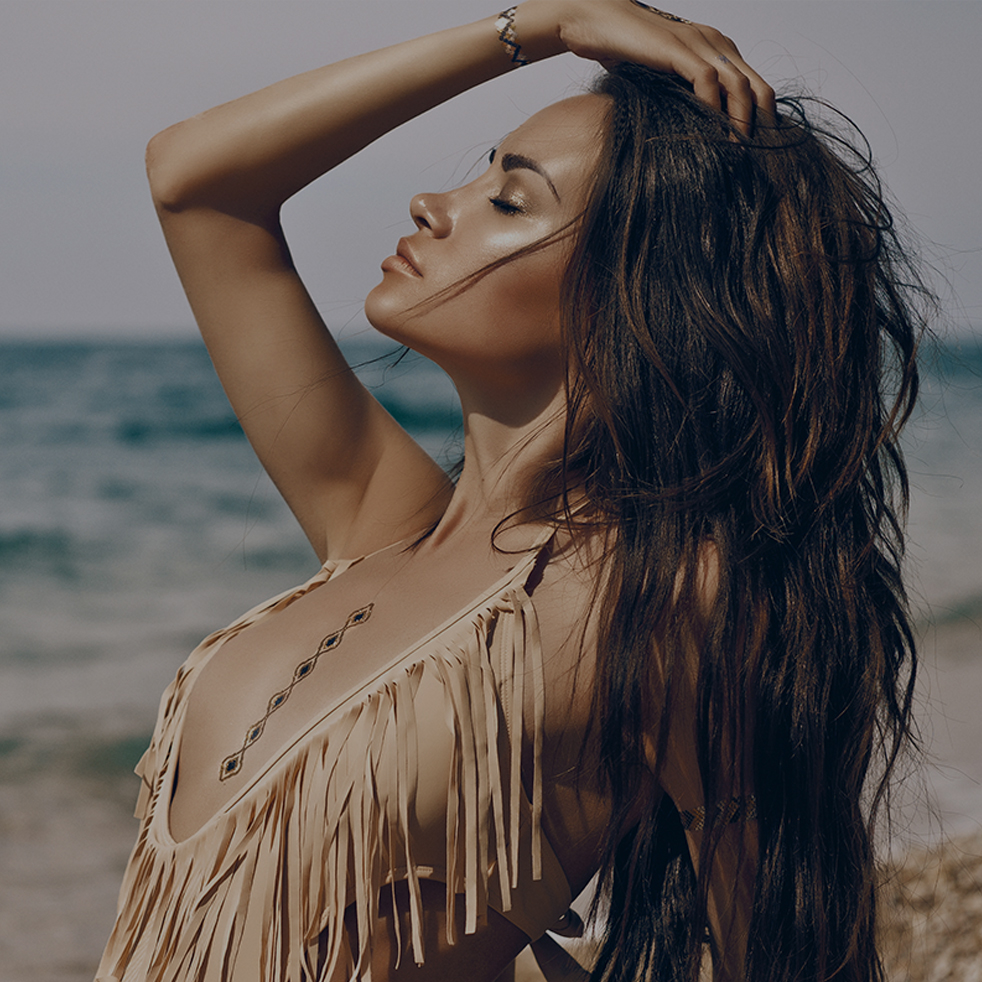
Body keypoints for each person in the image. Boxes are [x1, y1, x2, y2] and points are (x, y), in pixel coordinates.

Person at [95, 2, 928, 980]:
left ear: (630, 288)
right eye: (478, 174)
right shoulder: (375, 516)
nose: (430, 203)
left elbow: (787, 954)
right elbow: (194, 180)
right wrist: (541, 24)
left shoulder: (660, 603)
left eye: (509, 200)